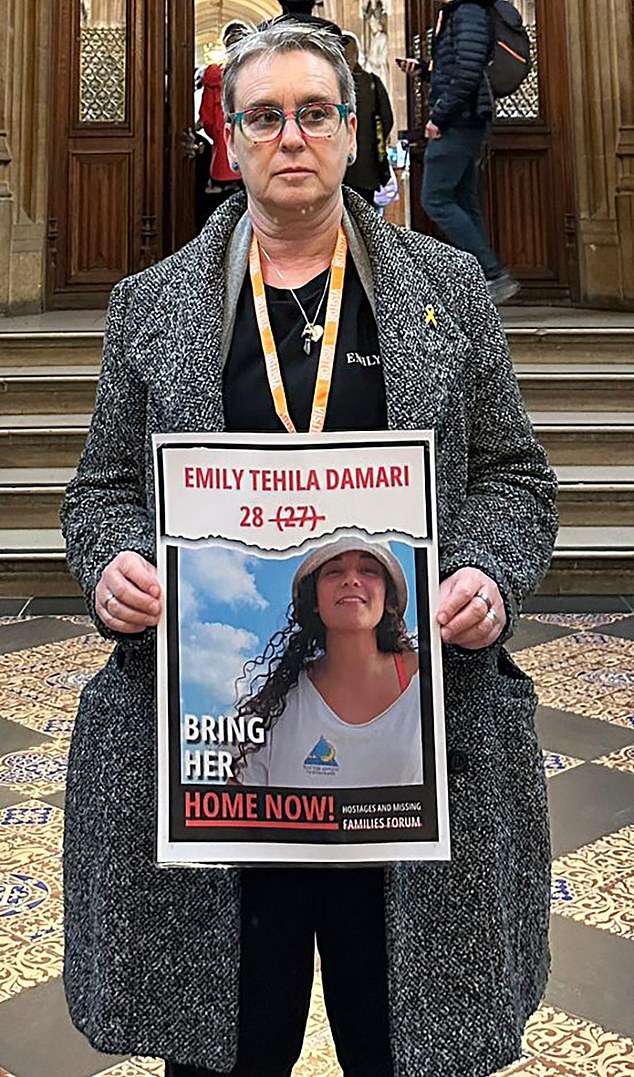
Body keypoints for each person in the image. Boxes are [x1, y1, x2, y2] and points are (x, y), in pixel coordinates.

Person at [61, 20, 558, 1077]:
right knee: (227, 1050)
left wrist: (486, 574)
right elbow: (101, 491)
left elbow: (515, 476)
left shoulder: (449, 292)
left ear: (352, 134)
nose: (292, 136)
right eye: (264, 117)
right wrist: (110, 565)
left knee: (407, 1045)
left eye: (316, 114)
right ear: (229, 142)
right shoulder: (146, 307)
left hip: (416, 758)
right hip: (224, 759)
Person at [235, 538, 421, 788]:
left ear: (388, 597)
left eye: (368, 570)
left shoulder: (433, 685)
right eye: (334, 571)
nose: (352, 580)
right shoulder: (269, 714)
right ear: (314, 600)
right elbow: (232, 819)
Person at [397, 0, 520, 305]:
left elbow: (468, 71)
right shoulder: (459, 13)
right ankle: (484, 279)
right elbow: (458, 67)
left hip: (459, 121)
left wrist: (439, 117)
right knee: (464, 199)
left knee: (435, 198)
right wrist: (425, 70)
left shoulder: (468, 12)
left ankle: (492, 274)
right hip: (466, 119)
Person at [198, 22, 248, 215]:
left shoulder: (213, 77)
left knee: (224, 209)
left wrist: (218, 135)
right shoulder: (256, 74)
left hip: (224, 158)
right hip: (254, 155)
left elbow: (207, 119)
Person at [342, 32, 394, 205]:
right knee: (365, 216)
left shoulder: (331, 85)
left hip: (338, 167)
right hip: (367, 165)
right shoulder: (372, 82)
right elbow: (387, 119)